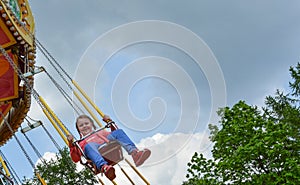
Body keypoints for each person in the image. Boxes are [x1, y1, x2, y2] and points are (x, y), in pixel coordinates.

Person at [67, 114, 151, 181]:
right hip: (97, 154)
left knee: (119, 132)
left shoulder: (101, 132)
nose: (84, 126)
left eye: (86, 123)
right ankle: (104, 167)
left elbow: (116, 135)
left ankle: (135, 153)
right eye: (81, 125)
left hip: (108, 145)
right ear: (78, 130)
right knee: (89, 146)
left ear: (92, 124)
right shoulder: (81, 143)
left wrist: (109, 122)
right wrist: (71, 144)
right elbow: (75, 159)